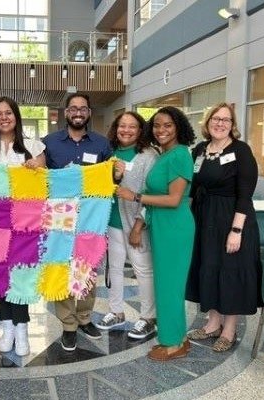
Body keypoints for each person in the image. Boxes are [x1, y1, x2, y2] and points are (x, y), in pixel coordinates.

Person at [116, 106, 195, 362]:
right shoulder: (163, 155)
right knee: (166, 285)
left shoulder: (180, 155)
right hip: (161, 224)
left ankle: (172, 343)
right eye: (157, 125)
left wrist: (135, 196)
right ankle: (178, 337)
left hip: (175, 226)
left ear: (178, 127)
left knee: (170, 286)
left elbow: (173, 199)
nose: (161, 130)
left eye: (168, 125)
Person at [0, 96, 45, 357]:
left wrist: (36, 166)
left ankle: (22, 328)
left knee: (21, 274)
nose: (4, 118)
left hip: (25, 225)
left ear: (16, 116)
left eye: (8, 113)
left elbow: (43, 178)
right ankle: (7, 326)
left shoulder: (33, 145)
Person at [186, 102, 262, 353]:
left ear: (233, 125)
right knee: (210, 269)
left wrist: (236, 231)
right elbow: (190, 185)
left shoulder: (241, 151)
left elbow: (245, 195)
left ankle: (229, 329)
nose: (220, 123)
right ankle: (212, 324)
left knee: (230, 272)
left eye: (226, 120)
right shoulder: (199, 150)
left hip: (232, 219)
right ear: (207, 123)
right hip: (204, 219)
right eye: (216, 119)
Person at [42, 93, 113, 351]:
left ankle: (84, 318)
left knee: (87, 267)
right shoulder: (48, 143)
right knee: (61, 266)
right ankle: (68, 324)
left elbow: (110, 179)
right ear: (66, 113)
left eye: (83, 108)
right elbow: (40, 178)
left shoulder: (102, 144)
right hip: (60, 215)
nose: (78, 112)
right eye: (73, 108)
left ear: (89, 113)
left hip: (91, 216)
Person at [94, 111, 158, 340]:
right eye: (122, 126)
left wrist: (140, 225)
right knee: (114, 269)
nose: (126, 130)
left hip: (135, 223)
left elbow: (153, 192)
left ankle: (149, 317)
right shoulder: (107, 152)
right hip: (111, 221)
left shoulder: (149, 156)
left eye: (132, 127)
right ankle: (116, 311)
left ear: (140, 130)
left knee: (142, 269)